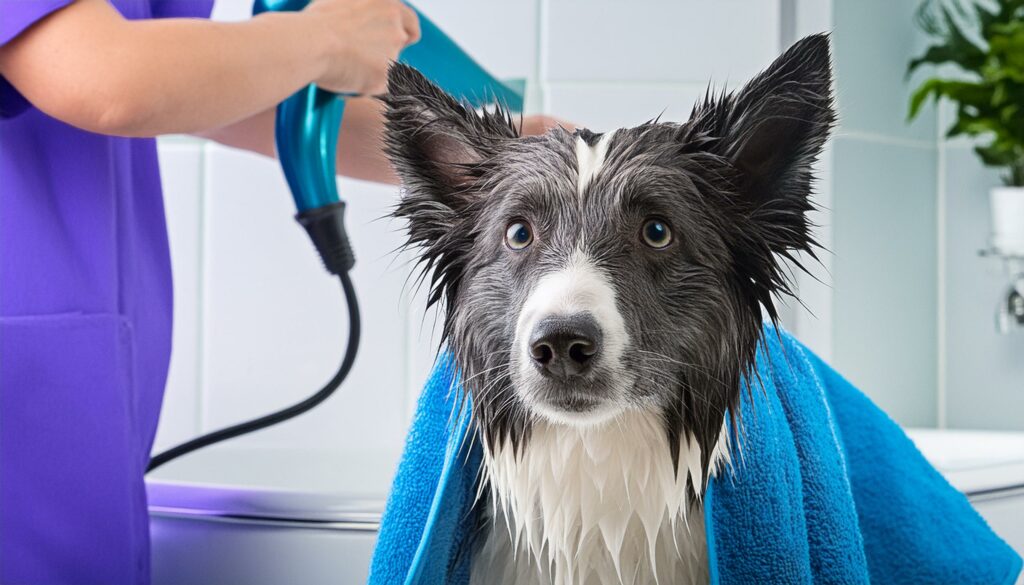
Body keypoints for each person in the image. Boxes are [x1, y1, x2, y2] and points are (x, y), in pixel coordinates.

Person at [0, 1, 564, 583]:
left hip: (81, 439)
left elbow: (205, 92)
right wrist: (323, 37)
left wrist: (519, 148)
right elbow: (108, 75)